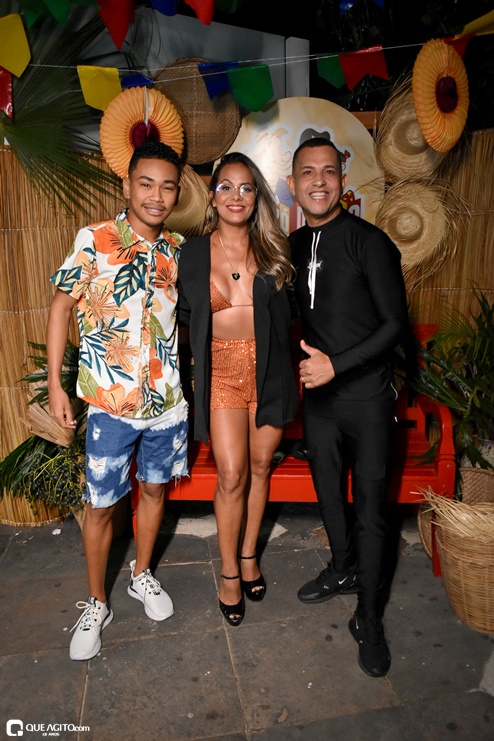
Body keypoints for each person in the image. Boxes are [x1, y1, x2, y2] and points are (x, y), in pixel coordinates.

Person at [47, 141, 189, 660]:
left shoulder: (178, 250)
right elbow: (61, 308)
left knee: (153, 492)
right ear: (127, 185)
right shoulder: (95, 239)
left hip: (166, 404)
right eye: (145, 183)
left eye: (167, 186)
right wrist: (56, 385)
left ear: (177, 192)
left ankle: (141, 574)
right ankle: (96, 602)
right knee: (102, 506)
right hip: (110, 406)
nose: (156, 195)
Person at [287, 137, 409, 677]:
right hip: (319, 402)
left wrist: (336, 365)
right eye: (308, 173)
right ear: (292, 184)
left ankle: (370, 619)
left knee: (371, 513)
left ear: (342, 179)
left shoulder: (371, 243)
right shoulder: (292, 245)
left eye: (328, 172)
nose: (319, 181)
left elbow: (394, 325)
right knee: (329, 497)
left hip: (367, 399)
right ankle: (341, 568)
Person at [178, 152, 298, 626]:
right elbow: (176, 315)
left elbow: (297, 315)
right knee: (231, 473)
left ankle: (249, 555)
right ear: (212, 197)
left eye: (246, 188)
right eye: (226, 187)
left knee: (261, 465)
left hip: (270, 370)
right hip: (221, 371)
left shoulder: (274, 249)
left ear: (256, 197)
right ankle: (229, 571)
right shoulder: (191, 253)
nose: (236, 196)